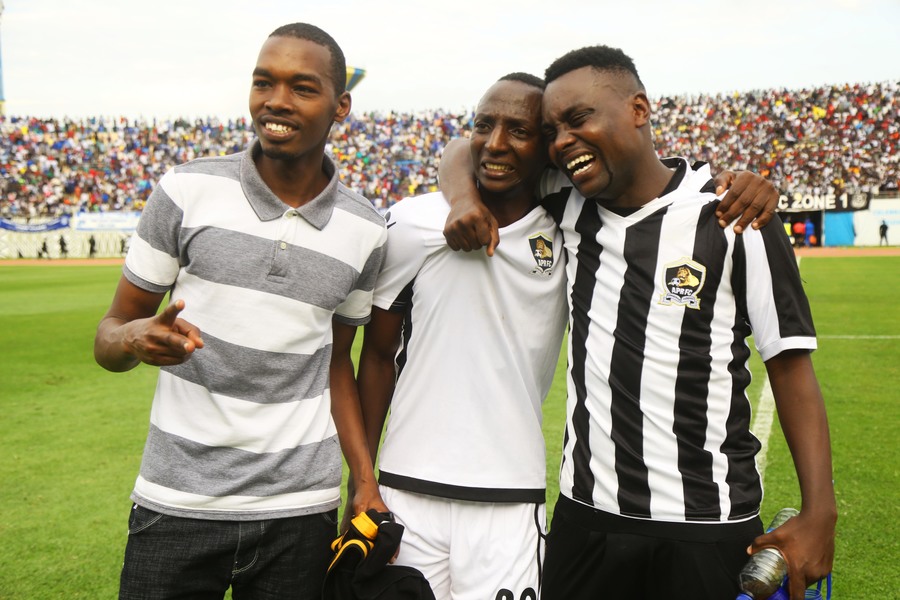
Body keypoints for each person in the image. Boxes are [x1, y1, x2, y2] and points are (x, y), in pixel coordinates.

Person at [440, 46, 835, 600]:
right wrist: (460, 195)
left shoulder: (733, 217)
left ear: (639, 110)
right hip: (587, 521)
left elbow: (791, 367)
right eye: (553, 130)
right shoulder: (567, 204)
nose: (562, 142)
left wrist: (822, 510)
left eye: (579, 119)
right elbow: (464, 148)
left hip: (707, 525)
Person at [93, 23, 388, 600]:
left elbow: (336, 365)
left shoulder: (366, 229)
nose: (276, 101)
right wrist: (134, 340)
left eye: (302, 87)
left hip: (299, 513)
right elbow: (107, 336)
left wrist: (364, 476)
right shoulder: (184, 190)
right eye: (263, 83)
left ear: (341, 106)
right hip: (177, 503)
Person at [358, 73, 566, 600]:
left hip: (510, 498)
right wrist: (362, 480)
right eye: (483, 125)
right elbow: (378, 356)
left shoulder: (572, 224)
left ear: (547, 146)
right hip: (406, 489)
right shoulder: (411, 223)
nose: (496, 143)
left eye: (518, 130)